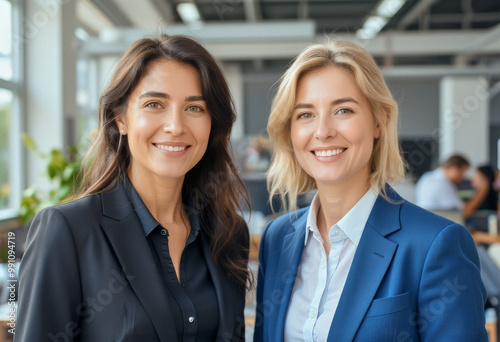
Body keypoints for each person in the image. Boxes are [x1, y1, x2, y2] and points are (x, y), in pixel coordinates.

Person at [16, 34, 250, 342]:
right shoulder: (68, 231)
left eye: (195, 108)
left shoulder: (228, 234)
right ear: (120, 118)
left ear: (212, 124)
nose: (175, 126)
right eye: (155, 104)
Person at [254, 40, 488, 341]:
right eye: (305, 114)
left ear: (379, 121)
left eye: (343, 110)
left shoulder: (434, 245)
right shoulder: (277, 240)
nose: (323, 131)